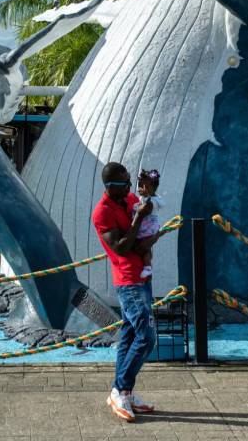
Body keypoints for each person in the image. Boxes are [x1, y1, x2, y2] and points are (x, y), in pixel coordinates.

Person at [92, 162, 159, 422]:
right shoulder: (102, 212)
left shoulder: (128, 198)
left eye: (131, 182)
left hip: (142, 275)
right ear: (111, 187)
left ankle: (125, 392)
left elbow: (142, 222)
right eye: (125, 184)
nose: (131, 188)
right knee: (147, 337)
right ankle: (120, 389)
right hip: (128, 280)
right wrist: (140, 218)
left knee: (130, 335)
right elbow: (120, 247)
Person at [133, 169, 164, 279]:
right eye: (139, 185)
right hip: (146, 227)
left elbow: (148, 208)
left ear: (151, 188)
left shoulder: (153, 200)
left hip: (149, 228)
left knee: (145, 249)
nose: (139, 189)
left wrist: (148, 197)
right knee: (145, 248)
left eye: (142, 186)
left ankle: (147, 267)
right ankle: (147, 267)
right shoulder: (144, 198)